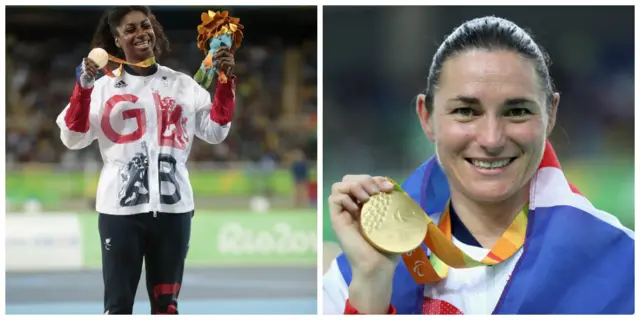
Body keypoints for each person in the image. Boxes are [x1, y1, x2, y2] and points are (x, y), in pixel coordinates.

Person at [323, 16, 634, 315]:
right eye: (465, 111)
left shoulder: (624, 266)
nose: (491, 138)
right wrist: (371, 285)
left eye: (516, 111)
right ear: (426, 117)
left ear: (550, 115)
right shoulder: (355, 274)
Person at [55, 6, 238, 314]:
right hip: (119, 212)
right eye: (130, 29)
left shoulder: (183, 84)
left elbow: (216, 130)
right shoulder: (101, 88)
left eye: (145, 25)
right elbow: (72, 138)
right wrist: (83, 89)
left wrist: (224, 81)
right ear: (116, 40)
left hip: (174, 210)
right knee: (118, 307)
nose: (141, 33)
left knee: (167, 308)